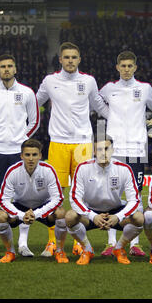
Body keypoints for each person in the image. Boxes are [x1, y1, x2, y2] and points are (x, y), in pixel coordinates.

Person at [36, 42, 109, 257]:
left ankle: (79, 240)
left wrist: (121, 121)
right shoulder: (50, 81)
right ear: (60, 59)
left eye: (74, 57)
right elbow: (34, 103)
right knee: (54, 195)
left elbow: (98, 105)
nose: (70, 61)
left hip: (83, 144)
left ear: (79, 59)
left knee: (83, 194)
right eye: (66, 57)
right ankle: (52, 242)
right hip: (58, 142)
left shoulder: (88, 81)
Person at [0, 54, 40, 258]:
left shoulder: (27, 92)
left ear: (15, 69)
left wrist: (22, 141)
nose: (6, 69)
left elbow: (35, 121)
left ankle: (22, 244)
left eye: (10, 66)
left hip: (17, 153)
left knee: (22, 197)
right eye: (2, 66)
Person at [98, 51, 152, 257]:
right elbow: (97, 103)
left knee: (136, 197)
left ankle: (135, 243)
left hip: (136, 151)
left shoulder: (145, 88)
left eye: (130, 66)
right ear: (117, 67)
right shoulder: (108, 89)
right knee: (111, 197)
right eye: (123, 66)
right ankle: (111, 242)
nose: (126, 69)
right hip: (113, 151)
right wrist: (110, 115)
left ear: (135, 67)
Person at [65, 134, 144, 265]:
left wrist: (118, 216)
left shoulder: (123, 169)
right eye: (99, 149)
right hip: (91, 212)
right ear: (94, 151)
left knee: (139, 218)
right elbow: (74, 198)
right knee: (70, 217)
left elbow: (134, 200)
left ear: (112, 150)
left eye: (106, 149)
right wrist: (92, 216)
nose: (103, 153)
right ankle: (87, 249)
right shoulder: (83, 168)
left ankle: (119, 248)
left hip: (115, 211)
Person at [0, 138, 66, 263]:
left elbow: (58, 198)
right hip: (20, 206)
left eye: (34, 155)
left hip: (42, 206)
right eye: (27, 155)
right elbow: (3, 200)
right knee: (1, 216)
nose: (31, 158)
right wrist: (21, 215)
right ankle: (10, 252)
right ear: (21, 156)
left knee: (61, 213)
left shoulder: (48, 170)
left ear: (40, 155)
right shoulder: (13, 171)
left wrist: (37, 213)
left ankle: (60, 251)